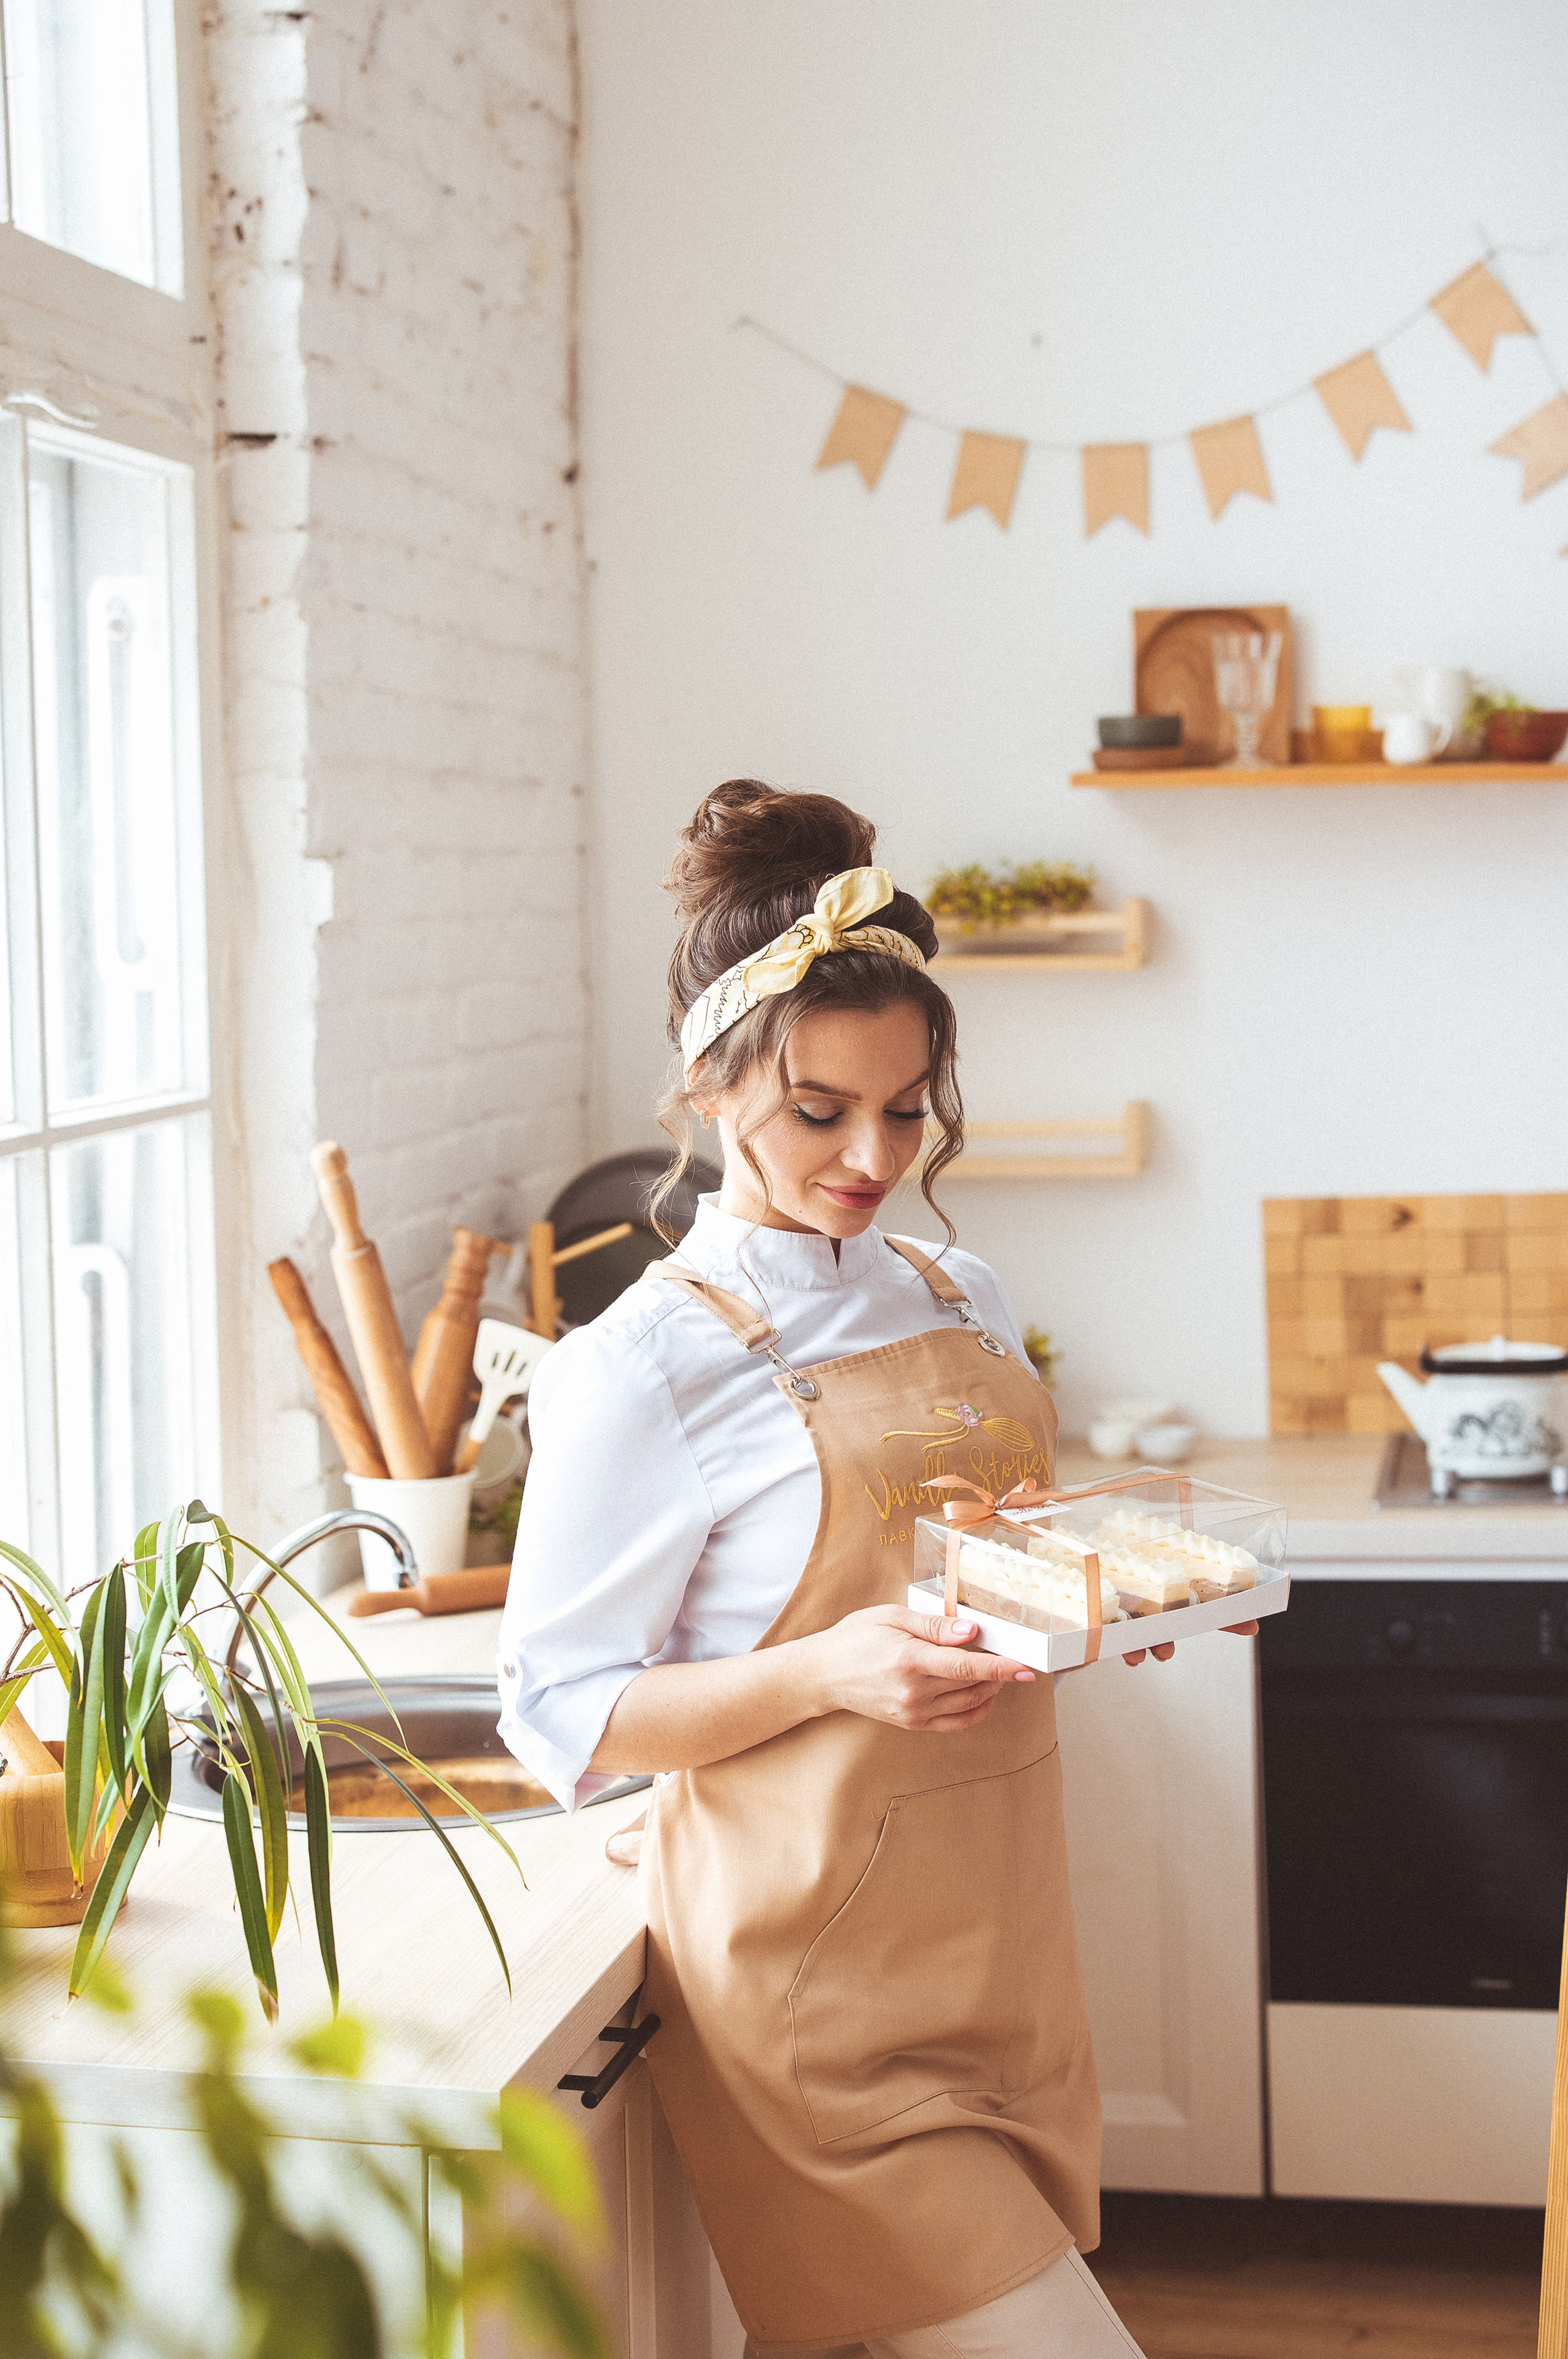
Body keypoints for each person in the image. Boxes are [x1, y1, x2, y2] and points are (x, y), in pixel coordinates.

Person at [499, 781, 1247, 2356]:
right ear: (709, 1089)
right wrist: (836, 1669)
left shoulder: (946, 1282)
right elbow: (558, 1713)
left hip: (995, 1942)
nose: (871, 1154)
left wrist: (1089, 1584)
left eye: (905, 1108)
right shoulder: (643, 1368)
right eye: (818, 1111)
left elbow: (966, 1551)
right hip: (808, 1981)